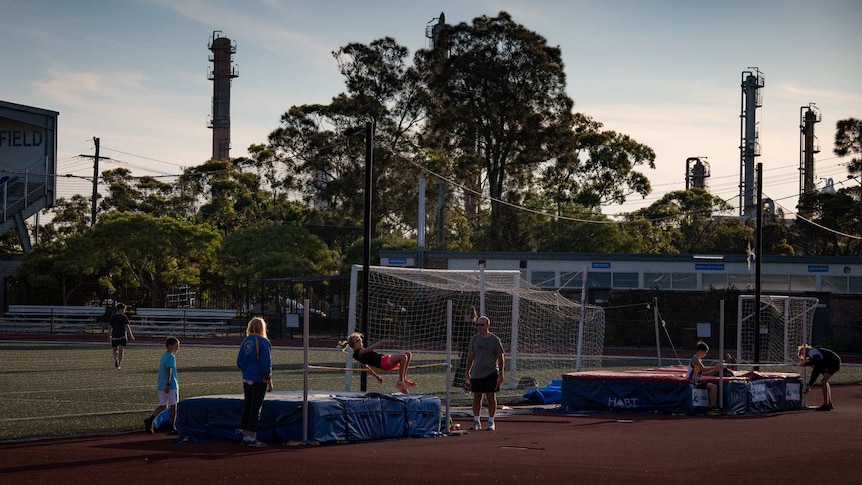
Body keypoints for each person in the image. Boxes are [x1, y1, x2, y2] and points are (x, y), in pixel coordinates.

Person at [236, 317, 273, 447]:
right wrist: (268, 378)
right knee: (255, 408)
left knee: (247, 406)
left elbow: (239, 362)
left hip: (247, 378)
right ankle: (252, 437)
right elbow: (265, 363)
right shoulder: (263, 342)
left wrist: (247, 371)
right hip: (259, 379)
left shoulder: (245, 341)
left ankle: (245, 436)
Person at [338, 332, 415, 393]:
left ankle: (403, 379)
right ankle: (401, 381)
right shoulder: (358, 352)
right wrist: (381, 342)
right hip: (383, 363)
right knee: (403, 357)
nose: (362, 344)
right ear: (356, 343)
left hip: (384, 359)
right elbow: (368, 350)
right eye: (360, 342)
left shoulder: (359, 353)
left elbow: (366, 367)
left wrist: (377, 377)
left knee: (408, 354)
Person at [465, 315, 505, 431]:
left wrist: (501, 373)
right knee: (477, 398)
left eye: (482, 325)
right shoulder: (474, 339)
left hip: (491, 372)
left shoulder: (494, 340)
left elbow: (500, 357)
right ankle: (476, 421)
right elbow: (470, 357)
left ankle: (491, 421)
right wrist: (467, 372)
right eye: (478, 325)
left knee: (491, 397)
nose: (479, 327)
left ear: (487, 325)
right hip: (477, 373)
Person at [143, 336, 180, 434]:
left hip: (161, 384)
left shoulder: (163, 356)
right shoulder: (171, 357)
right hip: (170, 385)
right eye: (176, 346)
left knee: (163, 405)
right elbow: (169, 370)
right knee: (173, 405)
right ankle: (172, 426)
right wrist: (168, 384)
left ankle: (150, 419)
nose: (178, 348)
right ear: (170, 346)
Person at [798, 344, 841, 411]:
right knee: (825, 381)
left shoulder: (812, 352)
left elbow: (816, 362)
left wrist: (806, 364)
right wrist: (809, 385)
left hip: (833, 362)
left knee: (823, 381)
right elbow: (816, 371)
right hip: (834, 362)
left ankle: (826, 405)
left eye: (803, 355)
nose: (806, 357)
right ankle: (829, 403)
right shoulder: (815, 353)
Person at [687, 340, 722, 416]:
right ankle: (712, 407)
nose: (705, 354)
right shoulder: (695, 359)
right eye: (705, 352)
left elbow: (703, 373)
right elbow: (704, 369)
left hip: (698, 379)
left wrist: (715, 370)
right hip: (694, 380)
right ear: (700, 351)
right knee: (713, 387)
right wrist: (714, 367)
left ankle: (713, 406)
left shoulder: (699, 359)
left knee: (714, 385)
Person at [108, 303, 135, 369]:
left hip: (115, 335)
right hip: (123, 335)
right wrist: (131, 335)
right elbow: (127, 326)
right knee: (121, 351)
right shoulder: (124, 317)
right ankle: (119, 365)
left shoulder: (113, 317)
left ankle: (116, 359)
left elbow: (110, 327)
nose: (124, 311)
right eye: (123, 309)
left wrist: (109, 335)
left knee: (115, 350)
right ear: (120, 309)